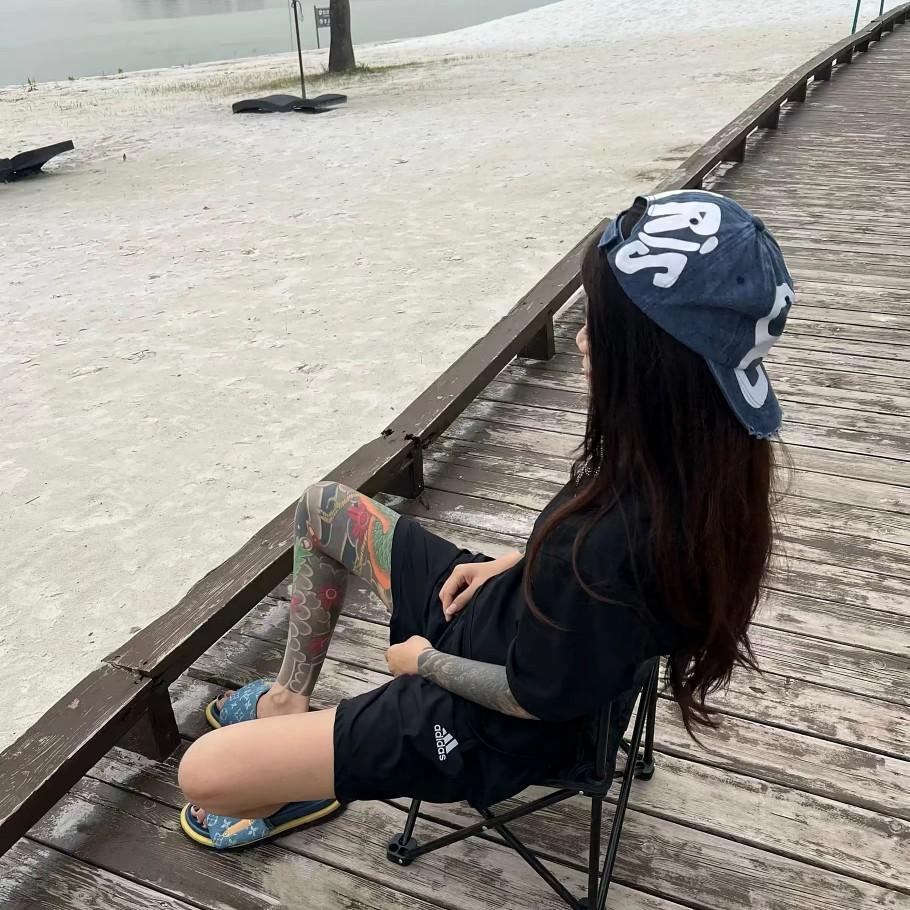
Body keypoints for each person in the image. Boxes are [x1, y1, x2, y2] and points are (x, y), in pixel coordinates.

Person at [178, 189, 793, 850]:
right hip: (511, 617)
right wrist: (516, 562)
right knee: (323, 509)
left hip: (493, 723)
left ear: (654, 362)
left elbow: (534, 695)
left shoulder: (605, 544)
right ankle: (286, 706)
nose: (581, 339)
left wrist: (424, 662)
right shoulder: (700, 463)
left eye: (600, 326)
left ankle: (291, 782)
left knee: (203, 773)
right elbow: (608, 598)